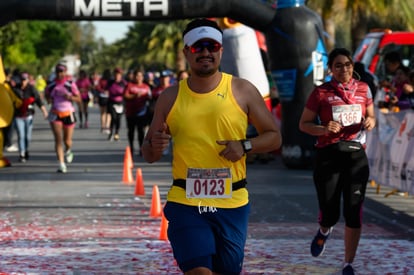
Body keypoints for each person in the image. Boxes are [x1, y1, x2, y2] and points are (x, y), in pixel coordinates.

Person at [142, 18, 282, 275]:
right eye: (198, 47)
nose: (205, 53)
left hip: (232, 201)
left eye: (211, 46)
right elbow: (149, 153)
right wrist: (155, 144)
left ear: (221, 50)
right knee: (199, 271)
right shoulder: (170, 97)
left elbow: (274, 137)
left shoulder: (242, 90)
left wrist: (245, 145)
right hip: (186, 200)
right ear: (186, 52)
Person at [299, 48, 376, 275]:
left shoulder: (363, 89)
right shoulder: (321, 92)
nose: (344, 69)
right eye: (339, 65)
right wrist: (323, 128)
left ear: (353, 66)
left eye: (348, 64)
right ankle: (324, 230)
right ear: (331, 69)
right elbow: (303, 124)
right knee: (330, 212)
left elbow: (371, 115)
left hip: (355, 156)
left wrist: (371, 121)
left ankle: (348, 263)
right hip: (328, 156)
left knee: (354, 211)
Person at [45, 63, 81, 173]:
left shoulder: (70, 84)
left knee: (67, 140)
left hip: (68, 113)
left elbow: (79, 98)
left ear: (65, 72)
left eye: (62, 72)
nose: (60, 74)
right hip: (55, 113)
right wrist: (49, 100)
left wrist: (70, 97)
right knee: (58, 140)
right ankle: (61, 164)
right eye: (58, 72)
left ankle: (69, 150)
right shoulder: (51, 85)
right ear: (56, 73)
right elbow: (47, 96)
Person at [14, 72, 48, 162]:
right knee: (21, 135)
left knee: (27, 137)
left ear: (28, 80)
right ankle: (22, 153)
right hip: (18, 116)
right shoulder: (15, 89)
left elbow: (38, 101)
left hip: (28, 115)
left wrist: (44, 111)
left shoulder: (31, 89)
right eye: (21, 80)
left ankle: (26, 149)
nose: (23, 82)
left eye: (24, 80)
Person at [123, 69, 152, 157]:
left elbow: (150, 97)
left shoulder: (146, 87)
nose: (138, 78)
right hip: (130, 112)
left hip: (141, 113)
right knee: (131, 131)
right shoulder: (129, 85)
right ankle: (131, 147)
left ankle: (141, 149)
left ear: (143, 77)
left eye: (140, 76)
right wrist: (134, 96)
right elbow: (125, 96)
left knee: (141, 132)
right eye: (137, 76)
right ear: (134, 77)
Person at [107, 67, 127, 141]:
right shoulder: (110, 82)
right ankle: (111, 132)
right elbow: (106, 89)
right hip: (112, 102)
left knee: (118, 119)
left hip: (120, 103)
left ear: (121, 75)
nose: (117, 76)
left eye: (119, 74)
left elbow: (127, 91)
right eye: (116, 74)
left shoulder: (124, 83)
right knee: (113, 117)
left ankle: (116, 133)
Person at [96, 68, 112, 134]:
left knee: (102, 113)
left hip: (101, 97)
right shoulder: (111, 80)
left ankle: (103, 127)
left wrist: (102, 91)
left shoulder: (101, 80)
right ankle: (107, 127)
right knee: (108, 113)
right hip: (109, 98)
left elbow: (97, 87)